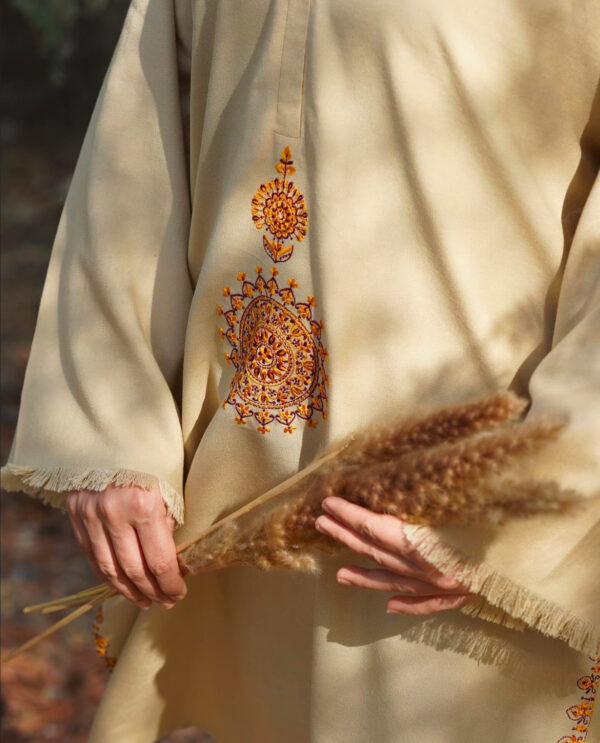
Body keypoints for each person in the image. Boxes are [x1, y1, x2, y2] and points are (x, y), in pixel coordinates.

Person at [2, 0, 599, 741]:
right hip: (234, 509)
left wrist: (539, 496)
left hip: (450, 522)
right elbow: (135, 159)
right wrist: (111, 435)